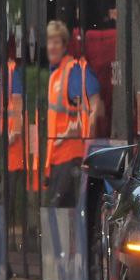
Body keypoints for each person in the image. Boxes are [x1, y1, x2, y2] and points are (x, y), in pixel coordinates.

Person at [44, 20, 102, 208]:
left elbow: (94, 107)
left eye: (56, 42)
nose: (51, 47)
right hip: (58, 159)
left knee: (60, 214)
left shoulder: (73, 71)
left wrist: (80, 129)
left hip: (70, 159)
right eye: (49, 41)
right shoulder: (55, 75)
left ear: (64, 45)